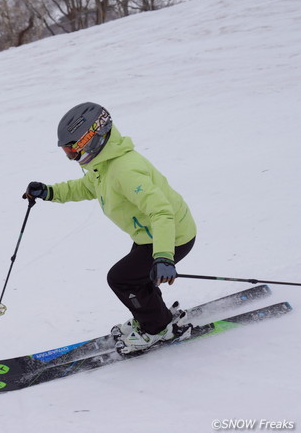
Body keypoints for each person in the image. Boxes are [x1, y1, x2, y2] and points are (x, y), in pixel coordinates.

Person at [23, 102, 197, 354]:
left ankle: (158, 328)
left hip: (170, 236)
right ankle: (155, 317)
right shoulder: (104, 164)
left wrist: (163, 256)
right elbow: (85, 187)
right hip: (150, 235)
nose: (70, 156)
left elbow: (161, 211)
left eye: (71, 150)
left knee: (122, 279)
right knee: (136, 277)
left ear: (90, 140)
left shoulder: (125, 170)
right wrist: (49, 192)